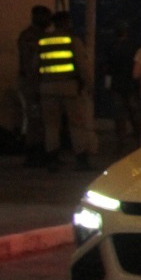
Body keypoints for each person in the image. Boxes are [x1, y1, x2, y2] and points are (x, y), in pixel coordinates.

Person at [37, 11, 97, 171]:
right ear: (66, 23)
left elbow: (34, 65)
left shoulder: (43, 41)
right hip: (69, 87)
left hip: (47, 88)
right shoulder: (72, 41)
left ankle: (52, 160)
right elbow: (82, 66)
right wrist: (89, 85)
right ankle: (81, 159)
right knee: (77, 124)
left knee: (51, 125)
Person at [16, 5, 52, 167]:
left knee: (41, 120)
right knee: (34, 120)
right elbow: (29, 64)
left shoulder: (39, 35)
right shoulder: (30, 37)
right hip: (32, 83)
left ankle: (39, 153)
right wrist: (34, 85)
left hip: (40, 83)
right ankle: (33, 154)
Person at [103, 22, 141, 146]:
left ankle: (122, 140)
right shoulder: (133, 46)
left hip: (117, 84)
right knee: (133, 113)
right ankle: (137, 138)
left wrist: (108, 84)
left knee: (120, 114)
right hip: (129, 84)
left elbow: (107, 68)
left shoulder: (112, 46)